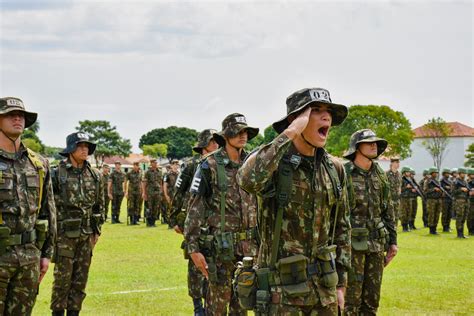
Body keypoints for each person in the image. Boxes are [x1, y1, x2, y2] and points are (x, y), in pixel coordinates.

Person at [237, 88, 351, 315]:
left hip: (324, 292)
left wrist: (341, 284)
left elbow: (341, 227)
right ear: (296, 119)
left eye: (328, 111)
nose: (326, 116)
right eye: (316, 111)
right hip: (282, 296)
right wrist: (290, 133)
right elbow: (247, 180)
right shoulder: (275, 163)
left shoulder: (334, 168)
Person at [185, 113, 259, 315]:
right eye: (237, 132)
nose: (242, 136)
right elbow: (194, 207)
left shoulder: (252, 163)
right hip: (220, 250)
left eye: (245, 131)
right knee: (216, 306)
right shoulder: (208, 165)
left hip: (248, 250)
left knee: (242, 306)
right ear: (225, 136)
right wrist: (193, 248)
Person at [0, 97, 57, 315]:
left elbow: (48, 210)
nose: (17, 118)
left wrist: (46, 254)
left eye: (21, 115)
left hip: (29, 259)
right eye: (10, 114)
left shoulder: (38, 164)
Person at [343, 129, 397, 315]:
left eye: (376, 142)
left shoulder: (380, 175)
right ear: (357, 147)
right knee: (351, 301)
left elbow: (388, 210)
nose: (374, 145)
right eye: (369, 142)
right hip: (351, 247)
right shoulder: (343, 173)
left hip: (375, 246)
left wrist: (393, 242)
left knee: (372, 300)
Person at [50, 132, 104, 315]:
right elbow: (48, 206)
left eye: (87, 146)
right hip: (64, 235)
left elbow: (99, 206)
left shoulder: (95, 175)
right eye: (80, 146)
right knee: (62, 279)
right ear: (70, 149)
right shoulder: (57, 173)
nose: (84, 149)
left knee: (80, 279)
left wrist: (97, 231)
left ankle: (74, 312)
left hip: (86, 235)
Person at [170, 129, 218, 316]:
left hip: (214, 223)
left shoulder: (219, 163)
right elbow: (178, 192)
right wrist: (174, 218)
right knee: (196, 268)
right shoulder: (191, 166)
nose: (216, 145)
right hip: (195, 222)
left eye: (217, 142)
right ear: (204, 145)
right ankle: (198, 307)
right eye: (213, 142)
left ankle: (211, 304)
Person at [142, 158, 162, 227]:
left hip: (157, 192)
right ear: (151, 163)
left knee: (156, 207)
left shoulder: (159, 172)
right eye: (154, 163)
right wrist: (144, 193)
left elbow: (160, 182)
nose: (155, 164)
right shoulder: (147, 172)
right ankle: (149, 222)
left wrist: (161, 191)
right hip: (150, 192)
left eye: (156, 163)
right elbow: (144, 182)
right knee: (149, 207)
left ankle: (153, 222)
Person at [423, 167, 443, 235]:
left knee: (437, 215)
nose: (436, 174)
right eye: (434, 173)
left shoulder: (437, 181)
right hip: (431, 200)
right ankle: (431, 229)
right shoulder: (427, 181)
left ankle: (435, 228)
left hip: (438, 199)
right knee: (431, 214)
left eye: (436, 173)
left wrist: (441, 192)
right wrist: (433, 189)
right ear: (431, 173)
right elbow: (425, 191)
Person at [452, 168, 470, 238]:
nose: (464, 174)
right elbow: (453, 192)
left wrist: (469, 192)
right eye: (463, 173)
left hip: (466, 201)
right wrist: (460, 189)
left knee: (464, 217)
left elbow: (467, 190)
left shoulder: (465, 182)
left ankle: (462, 233)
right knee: (459, 217)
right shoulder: (455, 182)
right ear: (459, 173)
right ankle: (459, 234)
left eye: (464, 173)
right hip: (459, 201)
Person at [386, 157, 402, 227]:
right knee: (389, 218)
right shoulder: (386, 174)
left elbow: (400, 186)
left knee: (396, 218)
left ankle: (394, 233)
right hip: (389, 200)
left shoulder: (399, 174)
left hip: (397, 200)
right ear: (392, 163)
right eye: (396, 162)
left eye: (398, 163)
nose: (398, 164)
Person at [163, 159, 180, 227]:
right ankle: (170, 224)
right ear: (171, 165)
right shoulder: (167, 174)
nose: (175, 166)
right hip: (170, 194)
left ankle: (176, 223)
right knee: (170, 209)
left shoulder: (179, 174)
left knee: (177, 209)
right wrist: (166, 195)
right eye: (174, 165)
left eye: (177, 165)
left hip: (178, 194)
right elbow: (165, 185)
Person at [400, 167, 417, 232]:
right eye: (407, 172)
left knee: (409, 212)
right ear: (404, 172)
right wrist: (406, 187)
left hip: (409, 197)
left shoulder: (409, 180)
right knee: (404, 213)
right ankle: (404, 227)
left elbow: (410, 188)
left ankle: (407, 226)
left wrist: (412, 189)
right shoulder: (401, 180)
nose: (409, 173)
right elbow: (399, 189)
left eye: (409, 172)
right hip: (404, 198)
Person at [440, 168, 453, 232]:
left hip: (450, 198)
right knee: (445, 213)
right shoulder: (442, 181)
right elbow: (441, 188)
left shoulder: (449, 181)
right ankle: (445, 227)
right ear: (444, 174)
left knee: (449, 213)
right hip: (445, 199)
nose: (448, 174)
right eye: (447, 173)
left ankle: (448, 225)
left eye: (448, 173)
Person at [467, 168, 474, 236]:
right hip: (470, 201)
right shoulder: (467, 183)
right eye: (472, 174)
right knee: (470, 216)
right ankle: (470, 230)